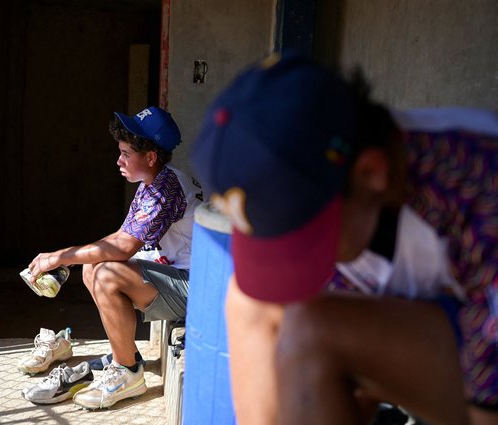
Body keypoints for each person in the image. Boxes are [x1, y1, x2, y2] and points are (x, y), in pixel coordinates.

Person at [191, 50, 498, 425]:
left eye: (306, 239)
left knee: (310, 329)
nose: (297, 260)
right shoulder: (350, 195)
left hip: (485, 362)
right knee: (250, 302)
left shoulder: (478, 185)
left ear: (371, 172)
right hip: (447, 329)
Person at [27, 106, 203, 409]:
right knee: (92, 268)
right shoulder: (153, 182)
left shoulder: (166, 188)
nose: (118, 160)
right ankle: (126, 359)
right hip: (180, 276)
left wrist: (58, 258)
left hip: (197, 288)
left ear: (150, 157)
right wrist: (68, 258)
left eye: (126, 153)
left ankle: (128, 374)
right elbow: (118, 238)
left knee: (107, 273)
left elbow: (122, 248)